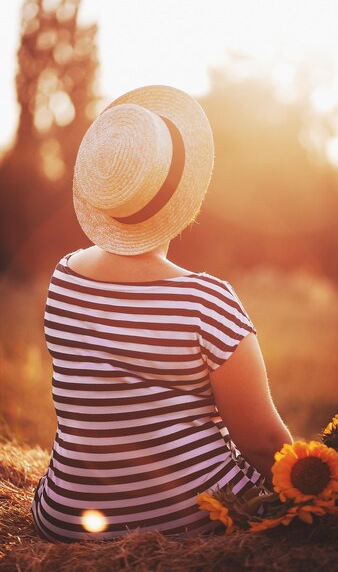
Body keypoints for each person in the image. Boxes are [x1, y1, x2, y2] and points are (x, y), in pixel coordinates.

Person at [31, 85, 292, 542]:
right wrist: (318, 489)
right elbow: (265, 444)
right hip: (191, 519)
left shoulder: (63, 280)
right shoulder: (205, 302)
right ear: (185, 196)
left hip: (65, 517)